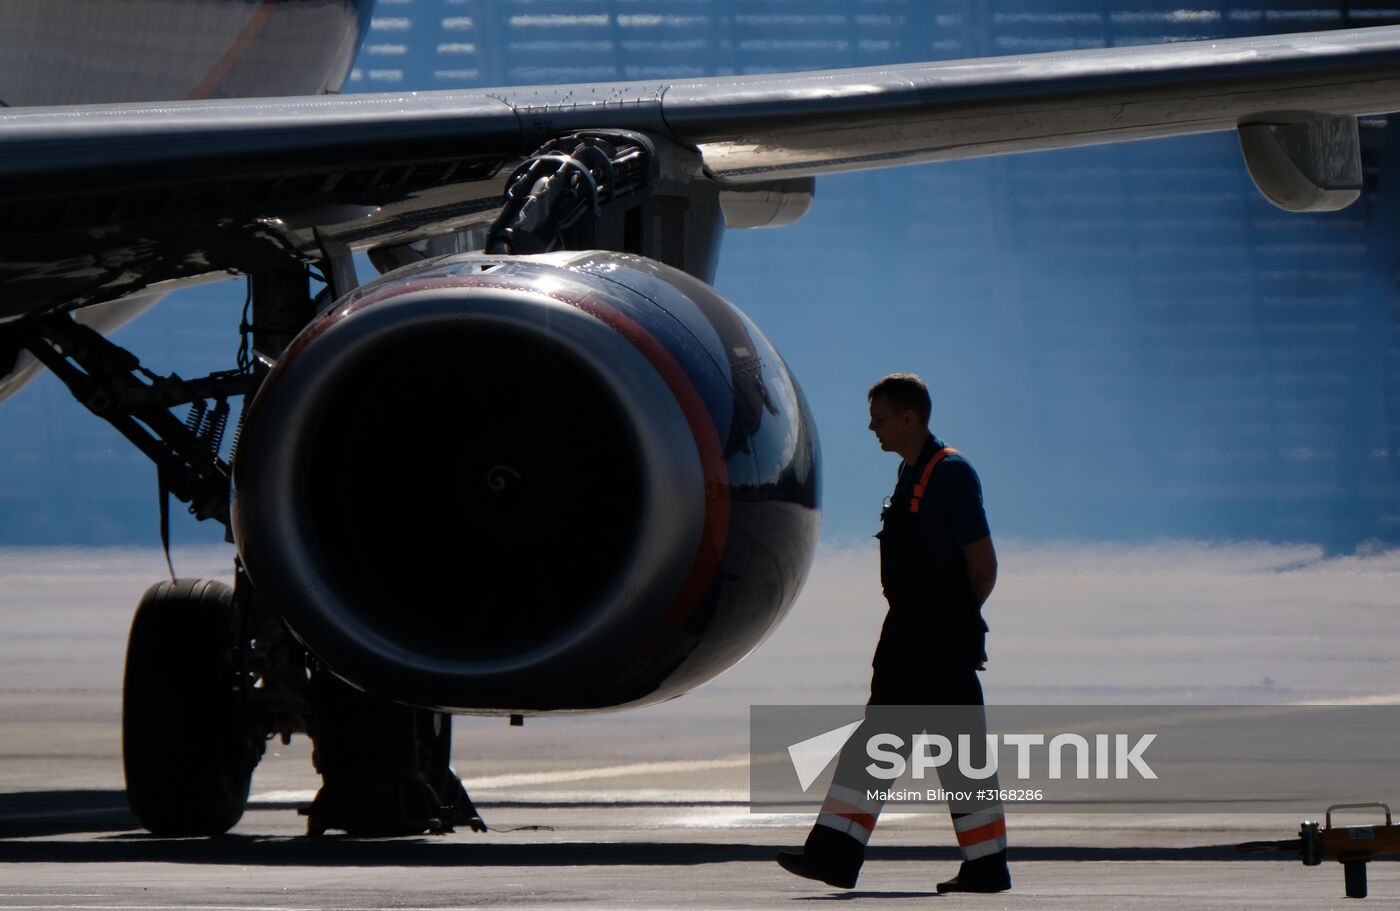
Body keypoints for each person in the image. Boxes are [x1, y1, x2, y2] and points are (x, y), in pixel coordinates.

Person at [776, 373, 1010, 893]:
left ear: (910, 418)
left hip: (938, 638)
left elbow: (984, 566)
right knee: (876, 743)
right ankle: (835, 854)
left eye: (879, 418)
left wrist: (951, 621)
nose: (871, 427)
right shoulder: (911, 474)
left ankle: (988, 866)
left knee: (959, 752)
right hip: (906, 635)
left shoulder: (950, 474)